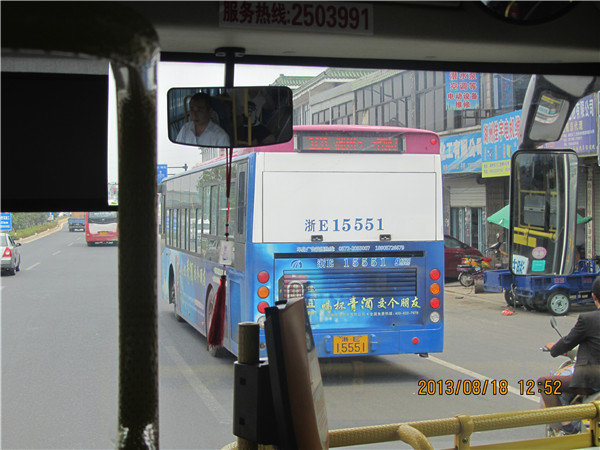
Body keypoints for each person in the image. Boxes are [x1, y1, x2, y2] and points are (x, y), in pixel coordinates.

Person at [538, 275, 600, 434]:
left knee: (544, 383)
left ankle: (568, 427)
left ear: (594, 296)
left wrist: (554, 349)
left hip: (593, 380)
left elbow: (567, 342)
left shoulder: (588, 319)